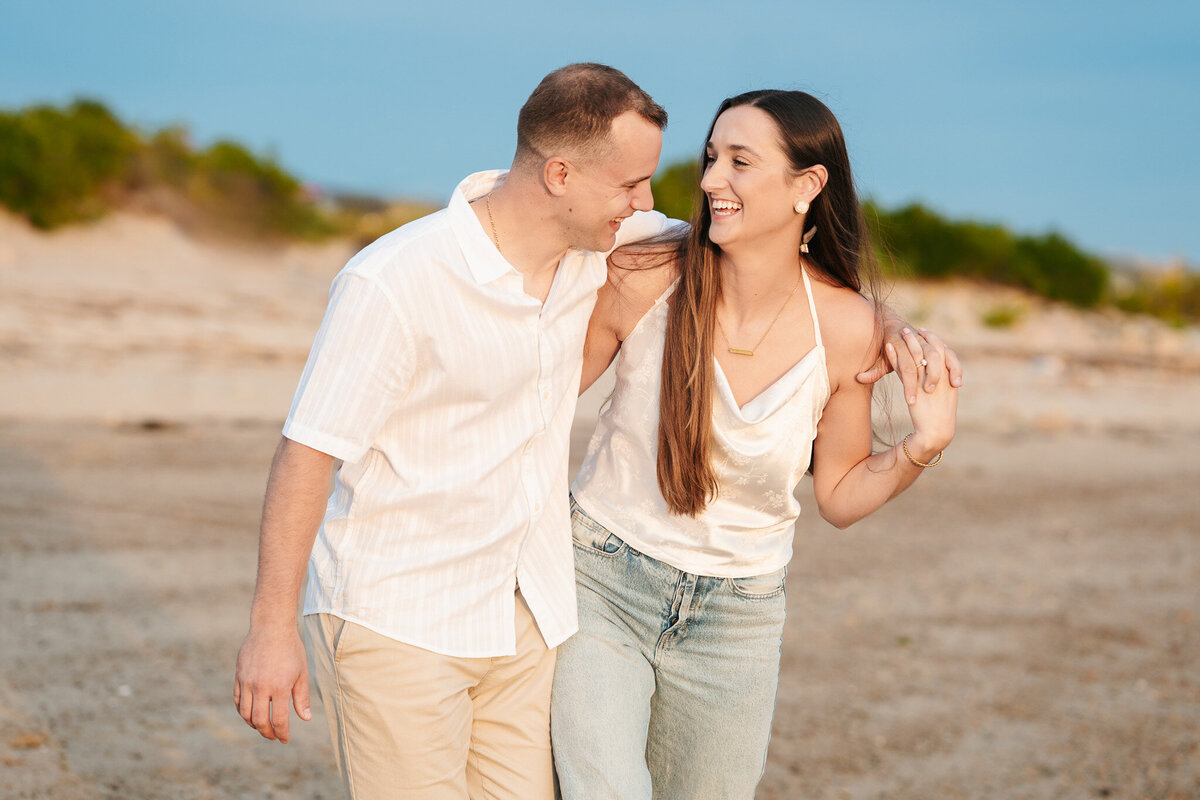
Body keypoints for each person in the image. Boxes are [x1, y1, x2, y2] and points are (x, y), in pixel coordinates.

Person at [234, 62, 954, 799]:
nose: (672, 193)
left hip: (553, 617)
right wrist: (270, 628)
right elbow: (308, 451)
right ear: (561, 176)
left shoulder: (611, 242)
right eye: (702, 161)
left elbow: (771, 283)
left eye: (734, 161)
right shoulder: (419, 278)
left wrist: (891, 349)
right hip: (439, 603)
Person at [550, 90, 959, 800]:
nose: (711, 179)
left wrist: (925, 444)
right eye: (712, 157)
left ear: (808, 185)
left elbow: (839, 496)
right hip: (600, 581)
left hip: (737, 619)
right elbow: (539, 403)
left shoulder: (850, 329)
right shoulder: (646, 275)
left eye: (740, 162)